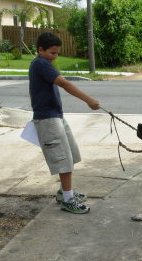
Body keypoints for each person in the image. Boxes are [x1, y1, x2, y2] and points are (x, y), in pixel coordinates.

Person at [29, 32, 100, 214]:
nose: (55, 57)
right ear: (40, 50)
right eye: (52, 53)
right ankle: (68, 199)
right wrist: (89, 100)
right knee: (63, 160)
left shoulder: (42, 64)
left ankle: (64, 192)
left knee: (71, 155)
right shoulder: (41, 64)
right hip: (48, 119)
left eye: (57, 53)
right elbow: (65, 84)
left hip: (55, 116)